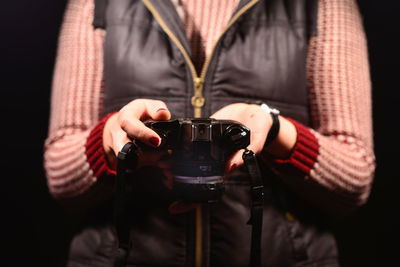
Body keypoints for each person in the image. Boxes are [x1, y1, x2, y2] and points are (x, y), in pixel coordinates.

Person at [44, 0, 376, 266]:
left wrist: (273, 130)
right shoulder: (96, 3)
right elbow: (61, 175)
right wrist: (111, 140)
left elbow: (354, 177)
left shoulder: (323, 4)